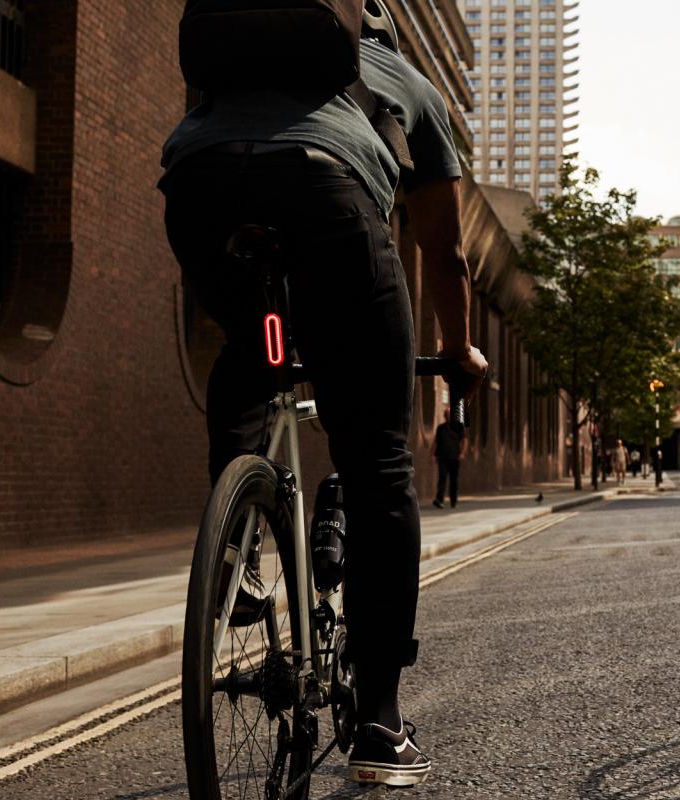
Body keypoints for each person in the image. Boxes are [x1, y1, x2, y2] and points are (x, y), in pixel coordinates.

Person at [159, 2, 486, 786]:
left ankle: (236, 555)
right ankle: (379, 719)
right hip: (327, 203)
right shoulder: (408, 86)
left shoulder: (228, 68)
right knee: (378, 464)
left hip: (200, 191)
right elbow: (445, 252)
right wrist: (454, 348)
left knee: (255, 349)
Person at [432, 408, 465, 509]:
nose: (447, 416)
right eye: (446, 414)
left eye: (449, 414)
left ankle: (453, 501)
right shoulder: (440, 428)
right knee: (442, 478)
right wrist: (432, 454)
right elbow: (435, 441)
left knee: (453, 480)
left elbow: (464, 441)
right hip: (442, 457)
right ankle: (439, 500)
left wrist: (462, 453)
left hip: (454, 457)